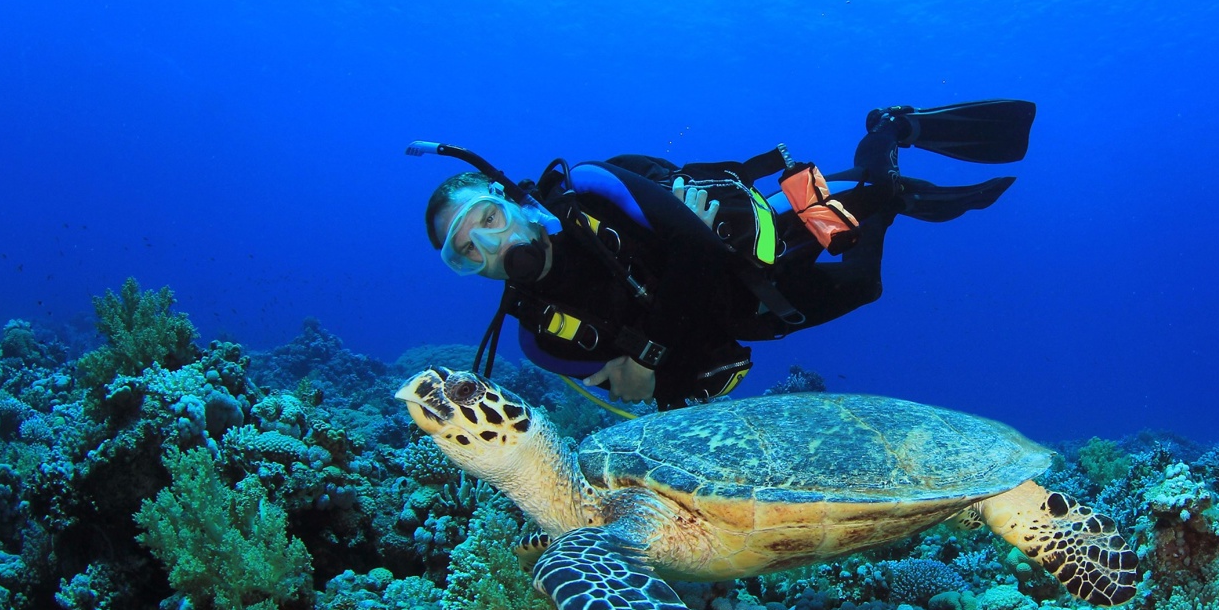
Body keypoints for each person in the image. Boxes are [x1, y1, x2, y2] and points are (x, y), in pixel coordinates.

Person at [420, 100, 1034, 410]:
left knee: (855, 211)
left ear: (513, 201)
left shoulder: (590, 188)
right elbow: (662, 394)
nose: (494, 246)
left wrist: (643, 354)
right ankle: (886, 193)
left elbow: (692, 248)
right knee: (865, 284)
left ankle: (889, 134)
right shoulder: (537, 341)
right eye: (468, 252)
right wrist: (649, 377)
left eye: (490, 220)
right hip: (743, 315)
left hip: (740, 256)